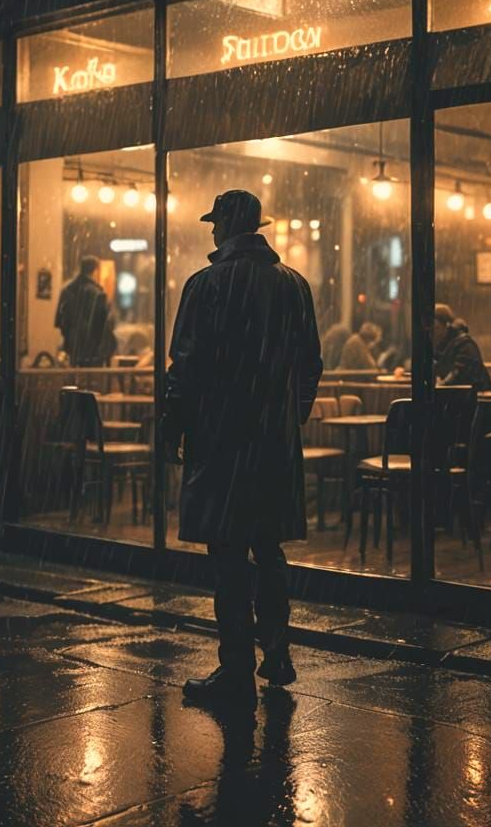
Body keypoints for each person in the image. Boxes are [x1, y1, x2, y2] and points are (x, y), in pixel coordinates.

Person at [161, 189, 323, 708]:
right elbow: (311, 365)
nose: (210, 231)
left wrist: (173, 429)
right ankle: (277, 653)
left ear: (228, 224)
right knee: (268, 548)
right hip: (274, 444)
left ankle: (235, 671)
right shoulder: (294, 286)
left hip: (222, 439)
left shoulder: (205, 284)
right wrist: (287, 418)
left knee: (228, 554)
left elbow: (184, 367)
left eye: (215, 222)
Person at [54, 256, 117, 367]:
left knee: (73, 379)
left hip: (71, 347)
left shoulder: (67, 291)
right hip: (94, 352)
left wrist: (70, 335)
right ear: (95, 271)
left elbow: (59, 321)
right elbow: (106, 325)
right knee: (93, 380)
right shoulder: (98, 294)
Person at [433, 303, 491, 391]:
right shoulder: (441, 346)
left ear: (447, 325)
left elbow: (457, 374)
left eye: (436, 328)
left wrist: (439, 385)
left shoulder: (464, 345)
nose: (432, 333)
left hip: (479, 399)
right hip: (459, 397)